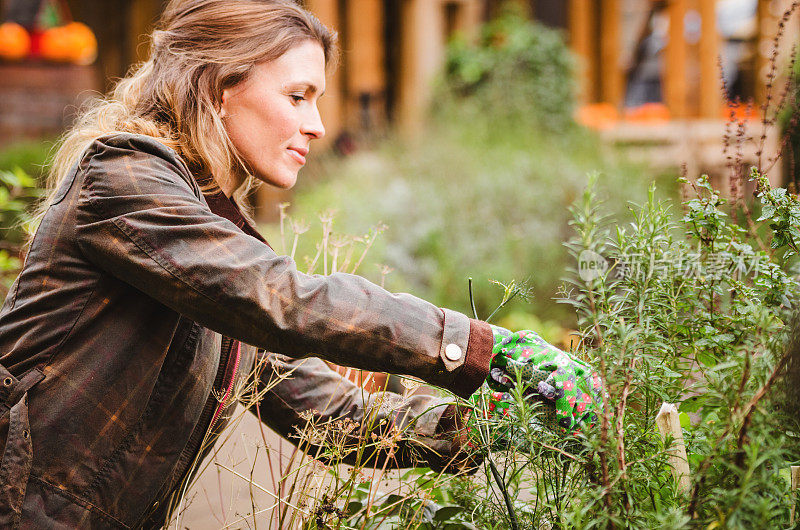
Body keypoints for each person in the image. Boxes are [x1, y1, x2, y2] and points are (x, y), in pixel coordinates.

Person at [0, 1, 602, 528]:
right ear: (217, 87)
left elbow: (320, 408)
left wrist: (478, 427)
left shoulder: (206, 236)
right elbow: (282, 299)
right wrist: (480, 349)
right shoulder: (123, 179)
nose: (315, 125)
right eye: (296, 96)